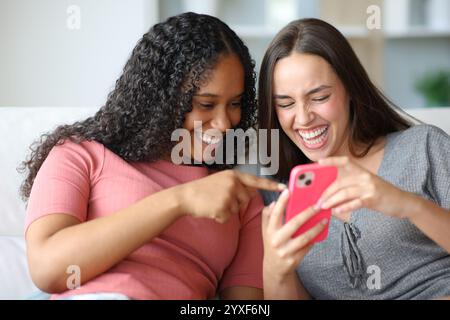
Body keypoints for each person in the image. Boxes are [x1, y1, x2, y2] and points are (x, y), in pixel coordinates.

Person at [20, 12, 285, 300]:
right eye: (206, 104)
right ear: (161, 98)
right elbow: (47, 268)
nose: (224, 122)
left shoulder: (239, 197)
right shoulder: (80, 155)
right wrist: (179, 200)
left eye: (235, 104)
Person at [257, 18, 450, 300]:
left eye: (319, 96)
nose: (303, 118)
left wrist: (408, 205)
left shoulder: (422, 149)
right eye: (285, 103)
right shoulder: (277, 196)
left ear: (349, 88)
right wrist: (275, 271)